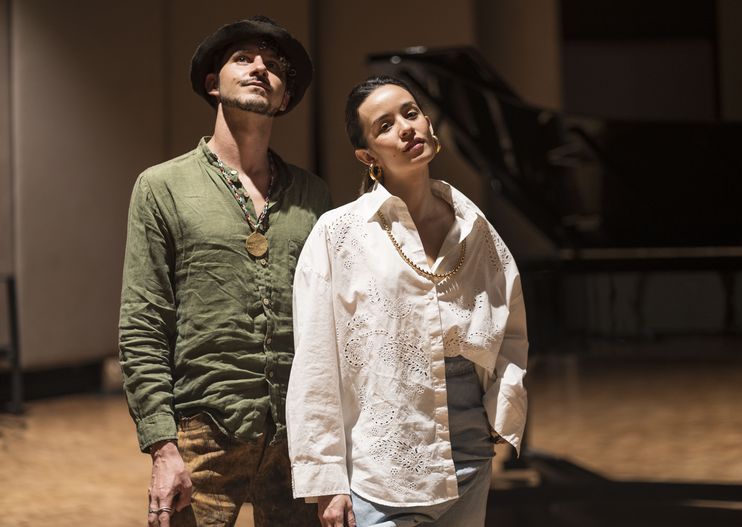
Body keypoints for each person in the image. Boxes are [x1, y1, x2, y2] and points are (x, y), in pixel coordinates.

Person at [286, 76, 529, 527]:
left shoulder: (474, 226)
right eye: (384, 125)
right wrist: (326, 480)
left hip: (468, 444)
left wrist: (503, 408)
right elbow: (316, 361)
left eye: (411, 112)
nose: (406, 128)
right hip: (383, 455)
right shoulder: (339, 234)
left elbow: (510, 323)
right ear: (367, 156)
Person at [119, 15, 331, 527]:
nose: (261, 68)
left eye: (275, 66)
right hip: (202, 436)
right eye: (244, 58)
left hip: (296, 440)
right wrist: (163, 448)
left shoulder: (314, 197)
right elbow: (143, 322)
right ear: (213, 83)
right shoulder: (161, 187)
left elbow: (333, 326)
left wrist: (332, 458)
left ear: (283, 98)